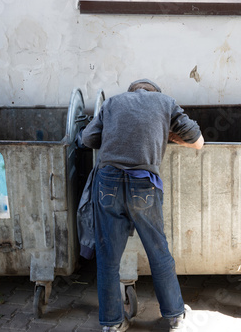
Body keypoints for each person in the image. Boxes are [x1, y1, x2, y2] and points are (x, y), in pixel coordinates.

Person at [81, 79, 204, 332]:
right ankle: (175, 317)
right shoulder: (166, 102)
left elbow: (87, 139)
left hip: (107, 183)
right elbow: (198, 141)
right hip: (143, 185)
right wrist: (170, 138)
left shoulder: (113, 102)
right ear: (154, 93)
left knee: (107, 258)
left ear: (133, 92)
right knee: (158, 251)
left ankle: (112, 324)